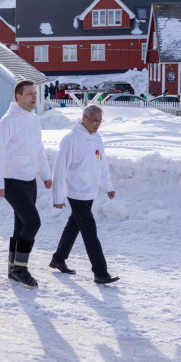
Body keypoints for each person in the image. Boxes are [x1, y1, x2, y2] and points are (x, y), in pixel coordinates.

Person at [0, 80, 52, 288]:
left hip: (29, 180)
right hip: (11, 181)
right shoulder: (7, 121)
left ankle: (12, 268)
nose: (34, 97)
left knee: (22, 225)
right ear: (18, 97)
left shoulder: (34, 120)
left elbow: (38, 150)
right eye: (29, 94)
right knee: (33, 222)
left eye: (35, 93)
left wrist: (45, 174)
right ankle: (21, 268)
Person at [49, 104, 119, 284]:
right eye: (94, 120)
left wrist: (107, 186)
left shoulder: (97, 138)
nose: (97, 124)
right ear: (84, 118)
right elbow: (59, 169)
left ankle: (58, 258)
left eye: (100, 121)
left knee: (75, 225)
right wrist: (58, 197)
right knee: (90, 231)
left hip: (90, 191)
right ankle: (100, 272)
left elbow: (101, 164)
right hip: (76, 192)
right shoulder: (71, 139)